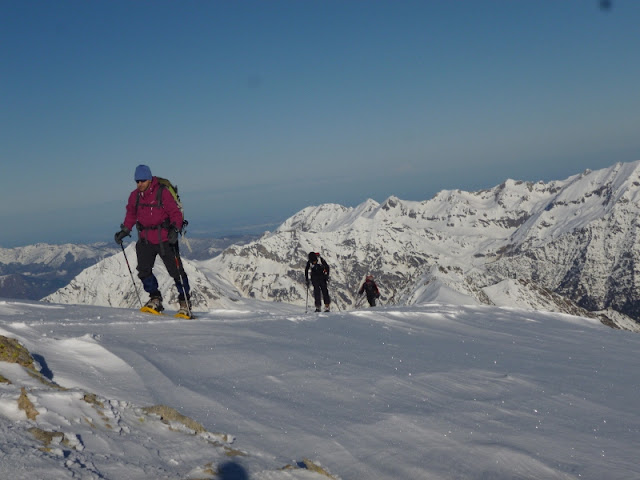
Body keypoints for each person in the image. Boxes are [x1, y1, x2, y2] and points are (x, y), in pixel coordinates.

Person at [114, 165, 191, 316]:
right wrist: (125, 230)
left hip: (165, 239)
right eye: (137, 181)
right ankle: (155, 299)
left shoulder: (163, 193)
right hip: (145, 240)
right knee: (143, 271)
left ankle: (185, 303)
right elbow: (131, 214)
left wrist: (175, 229)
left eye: (142, 180)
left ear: (149, 179)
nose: (139, 184)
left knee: (177, 273)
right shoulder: (134, 196)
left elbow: (175, 213)